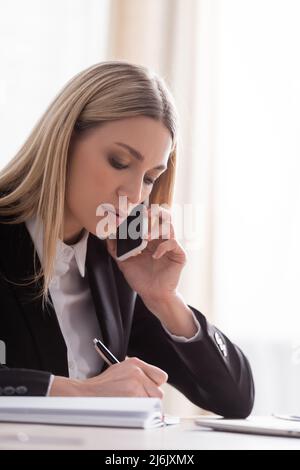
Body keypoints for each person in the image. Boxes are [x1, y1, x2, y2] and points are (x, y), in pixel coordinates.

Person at [0, 61, 254, 418]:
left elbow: (234, 399)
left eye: (150, 178)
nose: (134, 193)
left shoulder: (115, 265)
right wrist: (77, 393)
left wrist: (165, 299)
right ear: (64, 142)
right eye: (119, 162)